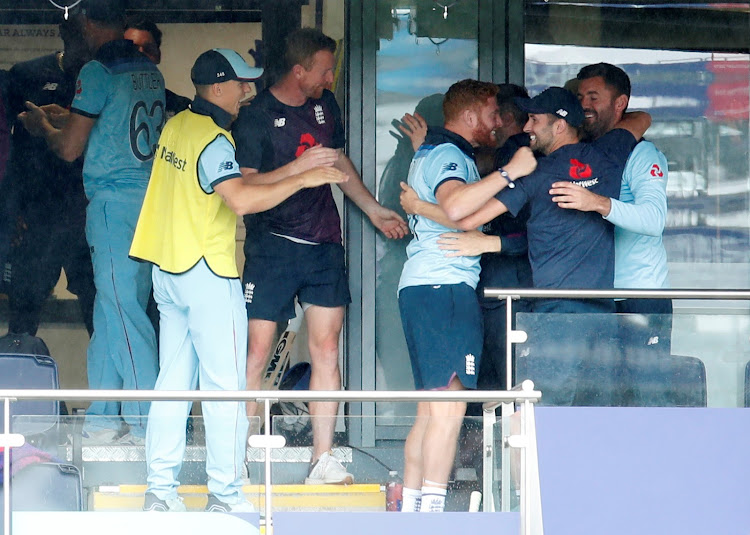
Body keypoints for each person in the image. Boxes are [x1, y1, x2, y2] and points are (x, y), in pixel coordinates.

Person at [130, 48, 347, 513]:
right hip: (206, 271)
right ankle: (226, 495)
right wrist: (303, 181)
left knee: (172, 386)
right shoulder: (214, 139)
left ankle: (159, 492)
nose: (248, 90)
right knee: (225, 388)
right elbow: (241, 201)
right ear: (218, 88)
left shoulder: (177, 126)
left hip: (167, 272)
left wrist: (294, 171)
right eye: (241, 83)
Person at [231, 27, 408, 485]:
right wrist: (299, 171)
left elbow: (337, 162)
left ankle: (322, 459)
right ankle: (236, 458)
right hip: (270, 246)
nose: (332, 78)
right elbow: (246, 187)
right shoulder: (254, 118)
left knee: (327, 347)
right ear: (298, 70)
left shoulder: (324, 106)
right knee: (256, 351)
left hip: (324, 244)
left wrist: (371, 208)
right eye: (325, 70)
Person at [402, 86, 651, 406]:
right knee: (594, 419)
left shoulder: (535, 174)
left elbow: (465, 219)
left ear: (559, 125)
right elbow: (642, 118)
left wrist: (418, 206)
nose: (526, 127)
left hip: (554, 318)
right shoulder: (609, 152)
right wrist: (591, 125)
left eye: (534, 119)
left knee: (539, 418)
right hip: (601, 317)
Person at [19, 0, 164, 444]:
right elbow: (111, 124)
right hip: (147, 202)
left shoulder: (96, 71)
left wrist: (41, 126)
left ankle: (147, 426)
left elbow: (69, 149)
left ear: (85, 23)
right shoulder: (148, 71)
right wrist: (63, 118)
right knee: (110, 313)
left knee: (124, 317)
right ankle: (102, 419)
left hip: (112, 206)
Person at [398, 79, 536, 512]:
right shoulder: (447, 154)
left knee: (432, 407)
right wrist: (511, 170)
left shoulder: (440, 151)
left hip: (428, 285)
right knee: (450, 406)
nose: (499, 123)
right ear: (472, 116)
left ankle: (412, 509)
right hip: (445, 286)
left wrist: (420, 208)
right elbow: (458, 208)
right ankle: (433, 512)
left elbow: (458, 213)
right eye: (494, 114)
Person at [549, 63, 671, 404]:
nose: (585, 104)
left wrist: (597, 203)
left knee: (648, 401)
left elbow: (653, 218)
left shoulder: (643, 153)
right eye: (580, 96)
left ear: (620, 104)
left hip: (640, 299)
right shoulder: (585, 156)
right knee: (596, 404)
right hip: (595, 299)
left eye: (594, 96)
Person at [2, 16, 95, 338]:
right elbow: (9, 151)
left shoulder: (104, 77)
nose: (85, 45)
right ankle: (16, 381)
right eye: (78, 36)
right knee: (24, 311)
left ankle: (111, 387)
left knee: (98, 310)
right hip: (38, 214)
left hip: (88, 214)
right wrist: (13, 212)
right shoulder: (26, 75)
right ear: (64, 33)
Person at [124, 16, 192, 117]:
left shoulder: (179, 106)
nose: (140, 55)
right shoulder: (105, 102)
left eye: (148, 49)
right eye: (132, 49)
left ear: (157, 55)